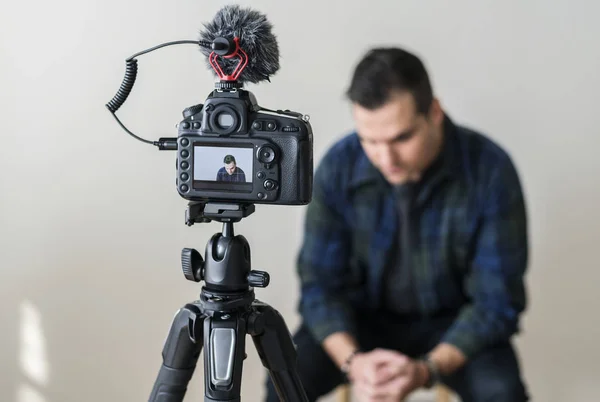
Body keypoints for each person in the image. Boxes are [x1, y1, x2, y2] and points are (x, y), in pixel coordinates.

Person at [265, 47, 530, 402]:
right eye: (369, 141)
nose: (385, 158)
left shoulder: (490, 170)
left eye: (401, 138)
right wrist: (353, 363)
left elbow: (497, 302)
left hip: (453, 322)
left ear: (434, 112)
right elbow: (320, 287)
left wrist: (425, 370)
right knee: (284, 382)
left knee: (502, 391)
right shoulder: (338, 166)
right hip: (360, 319)